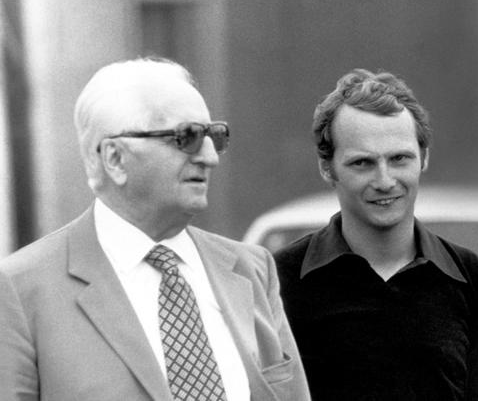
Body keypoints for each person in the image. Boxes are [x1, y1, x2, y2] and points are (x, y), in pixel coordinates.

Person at [0, 58, 310, 401]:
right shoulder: (21, 289)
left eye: (215, 136)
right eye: (187, 137)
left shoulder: (252, 269)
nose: (210, 157)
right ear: (115, 158)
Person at [274, 69, 478, 400]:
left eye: (399, 159)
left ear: (424, 158)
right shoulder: (279, 280)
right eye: (362, 163)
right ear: (327, 168)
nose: (384, 181)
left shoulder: (471, 280)